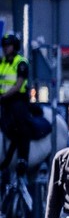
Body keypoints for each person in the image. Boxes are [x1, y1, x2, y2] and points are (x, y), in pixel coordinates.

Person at [0, 32, 32, 165]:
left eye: (9, 45)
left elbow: (18, 86)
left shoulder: (21, 63)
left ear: (15, 46)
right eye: (4, 45)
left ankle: (22, 158)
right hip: (3, 100)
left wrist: (2, 97)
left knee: (20, 126)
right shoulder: (2, 63)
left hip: (17, 100)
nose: (6, 48)